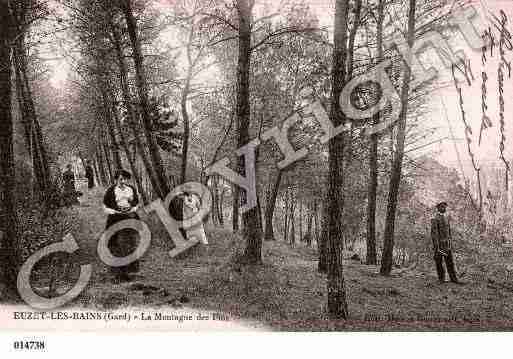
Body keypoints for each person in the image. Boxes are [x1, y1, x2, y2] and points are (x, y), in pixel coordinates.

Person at [103, 169, 140, 282]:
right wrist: (114, 212)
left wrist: (132, 208)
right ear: (116, 179)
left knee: (130, 243)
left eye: (125, 179)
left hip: (129, 217)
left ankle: (129, 272)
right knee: (117, 243)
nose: (123, 181)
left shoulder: (131, 189)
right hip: (116, 218)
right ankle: (117, 272)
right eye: (120, 179)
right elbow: (105, 206)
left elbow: (137, 204)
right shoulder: (111, 190)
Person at [430, 201, 461, 284]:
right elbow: (434, 234)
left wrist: (450, 242)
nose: (444, 208)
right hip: (439, 245)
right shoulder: (434, 218)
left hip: (447, 245)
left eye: (445, 207)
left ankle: (454, 279)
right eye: (442, 207)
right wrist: (436, 246)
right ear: (438, 208)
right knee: (439, 262)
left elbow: (449, 232)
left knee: (450, 262)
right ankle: (441, 279)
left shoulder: (447, 218)